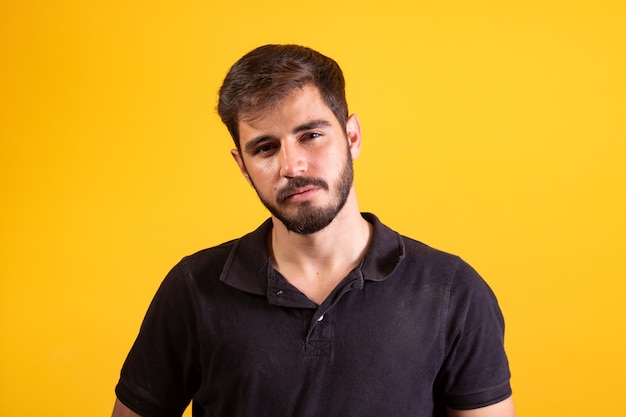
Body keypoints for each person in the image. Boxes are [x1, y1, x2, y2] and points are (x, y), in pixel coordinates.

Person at [112, 44, 515, 417]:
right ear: (242, 166)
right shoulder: (193, 288)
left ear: (352, 136)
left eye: (311, 135)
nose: (293, 166)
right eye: (266, 148)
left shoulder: (452, 290)